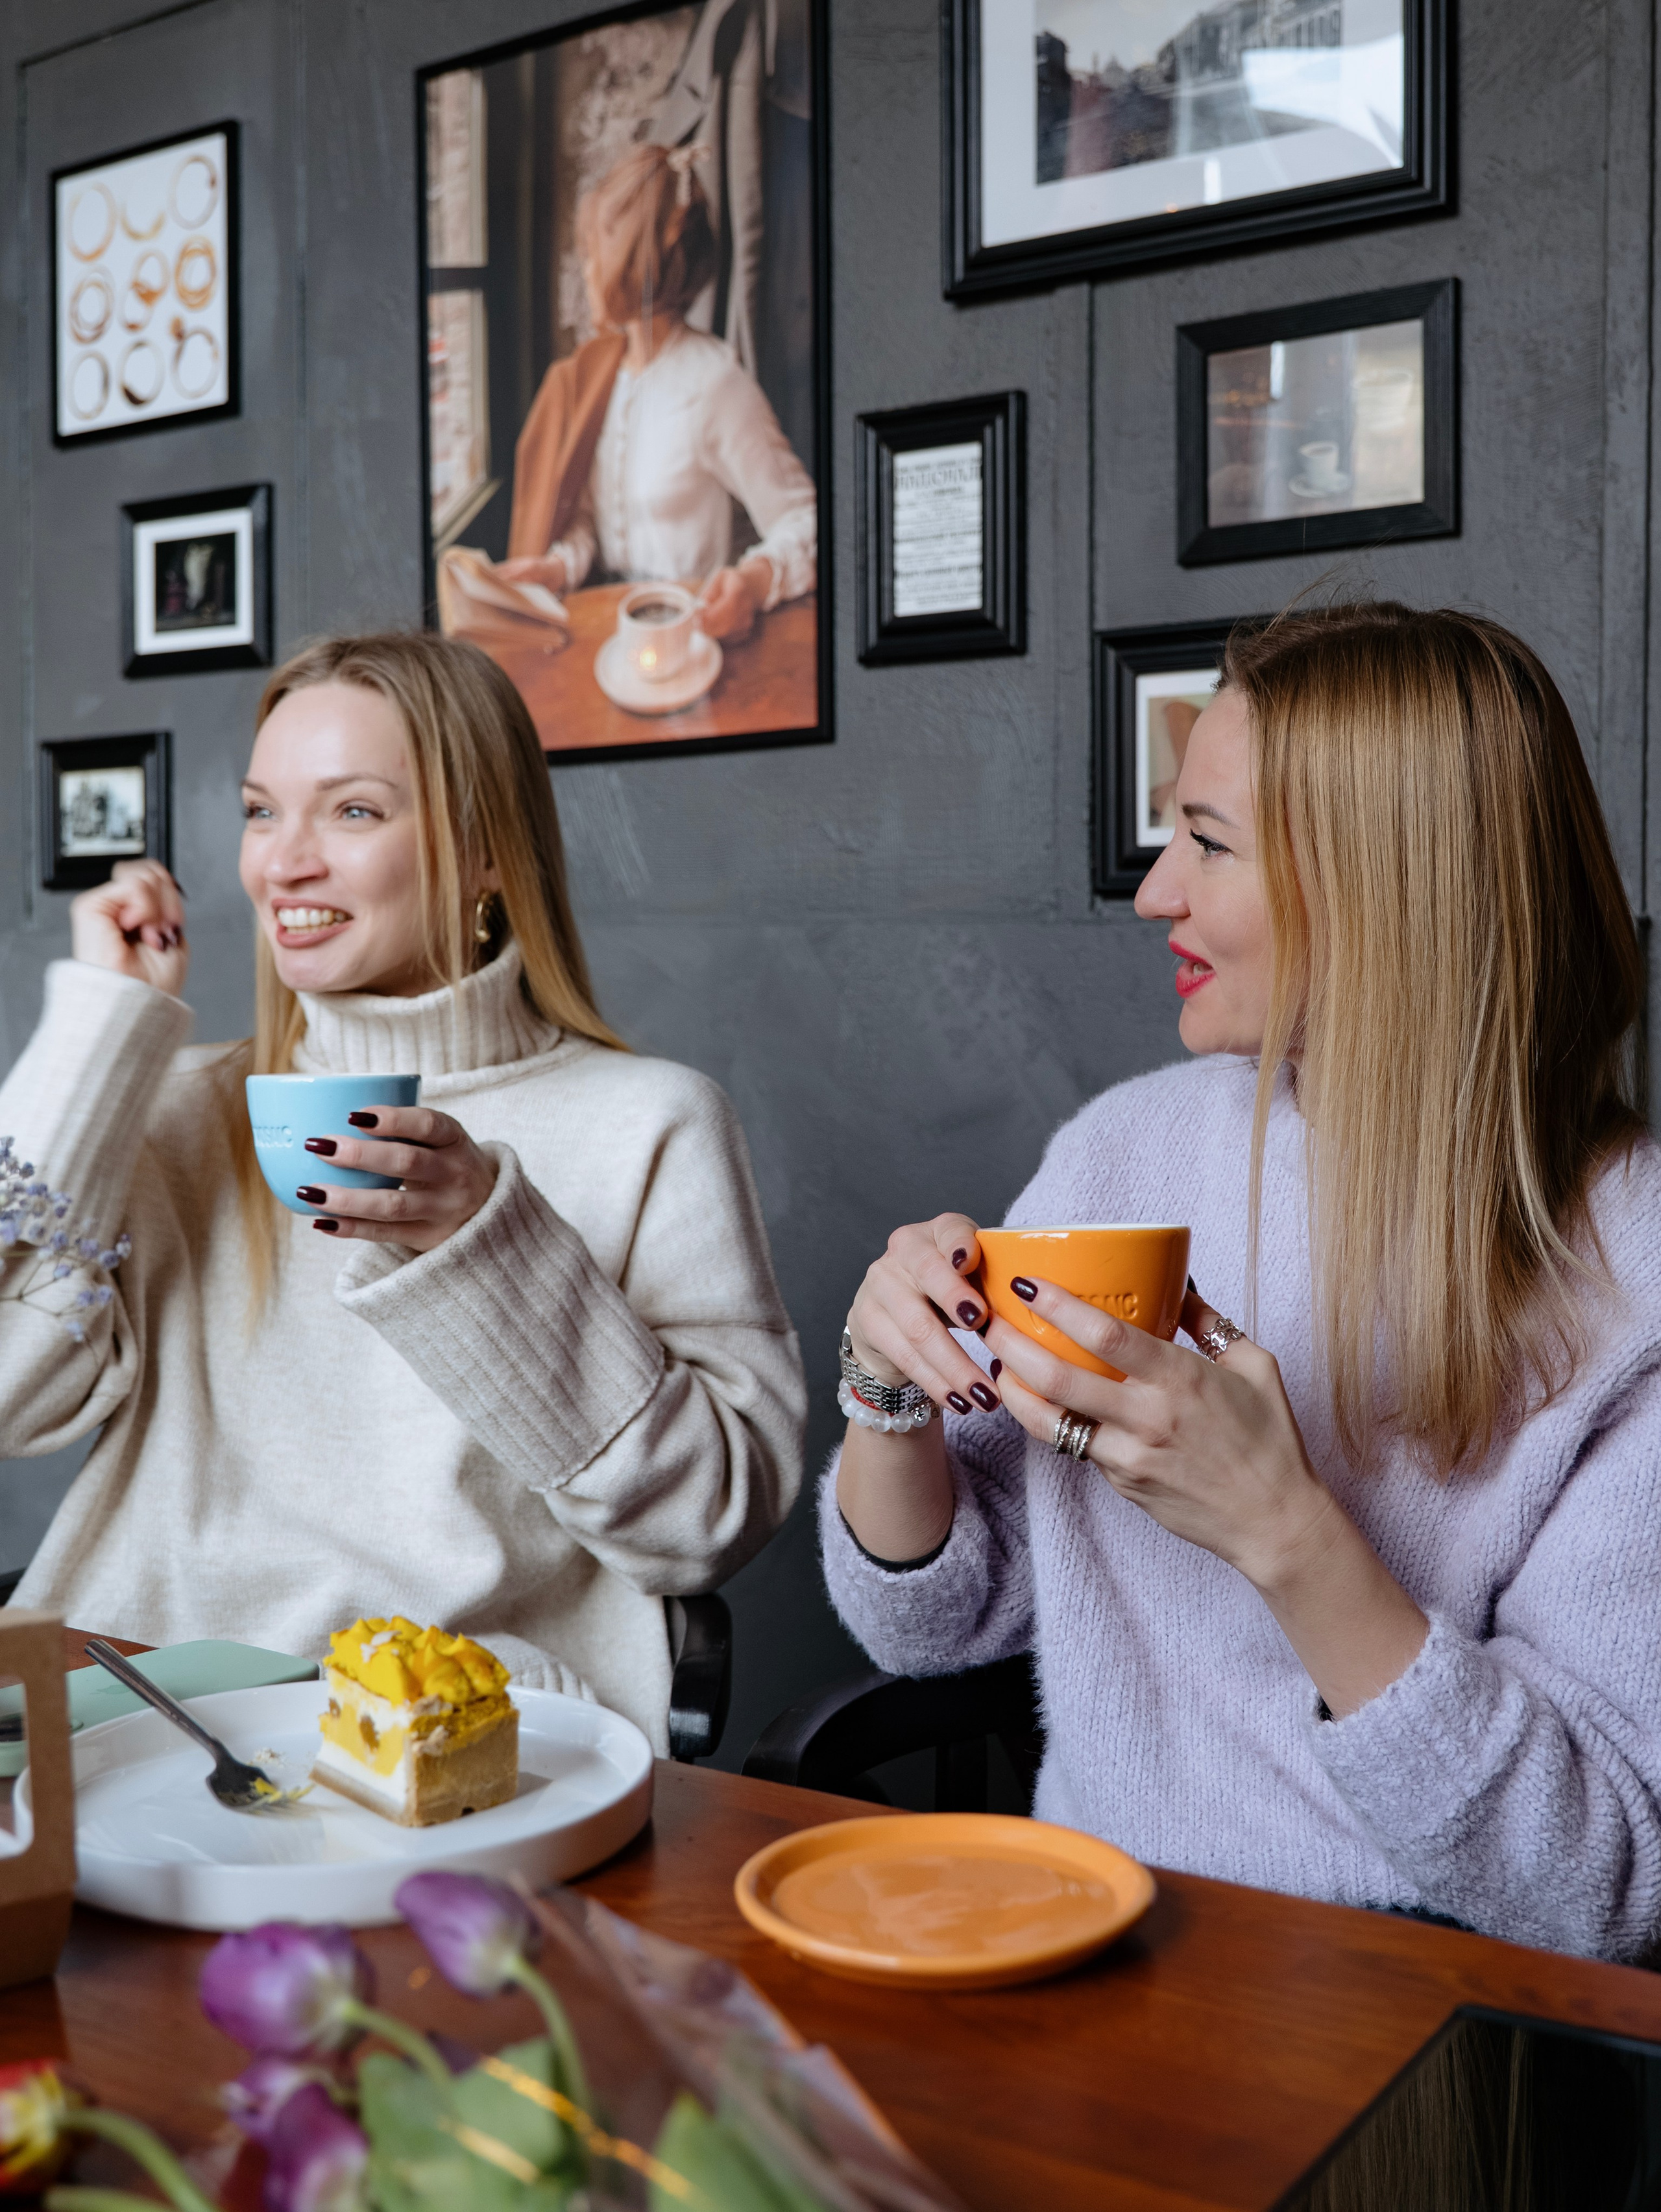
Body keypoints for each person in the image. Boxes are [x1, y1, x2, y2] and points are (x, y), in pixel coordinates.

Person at [824, 601, 1661, 1962]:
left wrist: (1282, 1527)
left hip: (1427, 1995)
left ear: (1388, 884)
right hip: (1085, 1927)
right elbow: (930, 1620)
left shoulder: (1634, 1271)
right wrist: (886, 1389)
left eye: (1207, 844)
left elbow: (1602, 1887)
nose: (1154, 893)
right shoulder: (1125, 1152)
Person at [0, 631, 805, 1749]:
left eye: (353, 812)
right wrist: (97, 1036)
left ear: (486, 851)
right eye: (261, 810)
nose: (281, 864)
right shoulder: (180, 1107)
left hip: (463, 1735)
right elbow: (9, 1395)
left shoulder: (652, 1121)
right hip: (140, 1712)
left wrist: (487, 1243)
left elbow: (702, 1525)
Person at [479, 143, 815, 645]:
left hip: (690, 641)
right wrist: (557, 567)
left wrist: (751, 582)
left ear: (636, 255)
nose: (587, 272)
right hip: (605, 637)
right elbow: (592, 522)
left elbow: (806, 521)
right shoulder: (596, 378)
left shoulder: (714, 384)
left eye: (593, 253)